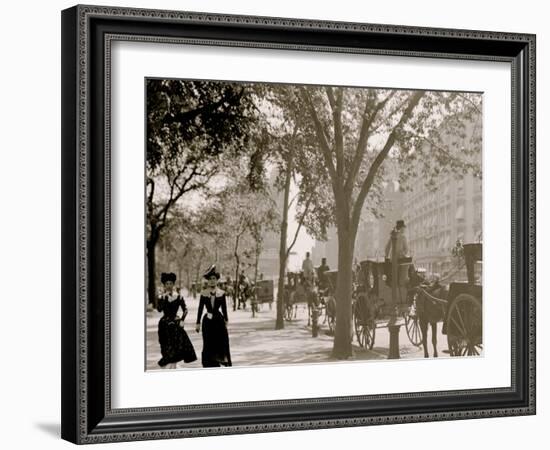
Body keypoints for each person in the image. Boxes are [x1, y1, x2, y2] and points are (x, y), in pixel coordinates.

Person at [156, 272, 197, 369]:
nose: (169, 286)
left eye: (170, 283)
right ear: (164, 285)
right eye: (167, 284)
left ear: (173, 284)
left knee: (176, 346)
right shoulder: (162, 297)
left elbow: (185, 310)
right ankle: (168, 364)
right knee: (165, 346)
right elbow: (159, 309)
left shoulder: (178, 297)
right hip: (164, 325)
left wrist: (182, 320)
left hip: (175, 324)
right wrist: (164, 298)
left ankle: (172, 366)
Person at [195, 265, 232, 368]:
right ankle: (209, 362)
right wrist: (198, 323)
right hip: (207, 322)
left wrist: (226, 320)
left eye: (214, 279)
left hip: (219, 321)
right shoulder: (204, 293)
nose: (212, 281)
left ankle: (220, 359)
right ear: (207, 280)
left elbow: (224, 309)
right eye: (210, 279)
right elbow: (200, 309)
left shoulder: (221, 293)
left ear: (217, 280)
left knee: (221, 342)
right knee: (208, 342)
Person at [384, 219, 411, 289]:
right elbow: (406, 249)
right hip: (400, 260)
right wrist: (403, 253)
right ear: (401, 228)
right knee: (406, 267)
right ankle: (403, 282)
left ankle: (396, 282)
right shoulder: (402, 237)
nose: (404, 229)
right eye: (403, 228)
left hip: (392, 259)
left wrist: (386, 256)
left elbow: (387, 248)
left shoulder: (392, 236)